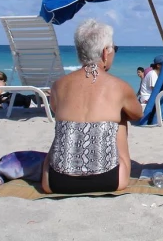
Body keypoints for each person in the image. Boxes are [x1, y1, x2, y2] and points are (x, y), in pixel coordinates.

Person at [41, 19, 142, 194]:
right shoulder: (120, 86)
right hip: (111, 180)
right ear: (105, 52)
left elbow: (57, 109)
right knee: (120, 118)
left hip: (55, 182)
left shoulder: (58, 85)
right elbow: (137, 114)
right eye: (114, 49)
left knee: (66, 126)